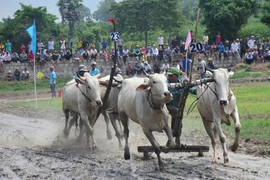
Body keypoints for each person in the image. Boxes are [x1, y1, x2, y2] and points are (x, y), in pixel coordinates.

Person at [166, 67, 196, 145]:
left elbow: (191, 90)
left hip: (178, 106)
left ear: (176, 76)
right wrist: (180, 91)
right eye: (169, 76)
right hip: (167, 105)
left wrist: (197, 91)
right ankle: (172, 138)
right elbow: (166, 94)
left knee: (178, 121)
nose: (169, 77)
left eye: (171, 76)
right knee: (176, 115)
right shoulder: (166, 83)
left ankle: (175, 139)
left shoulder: (182, 82)